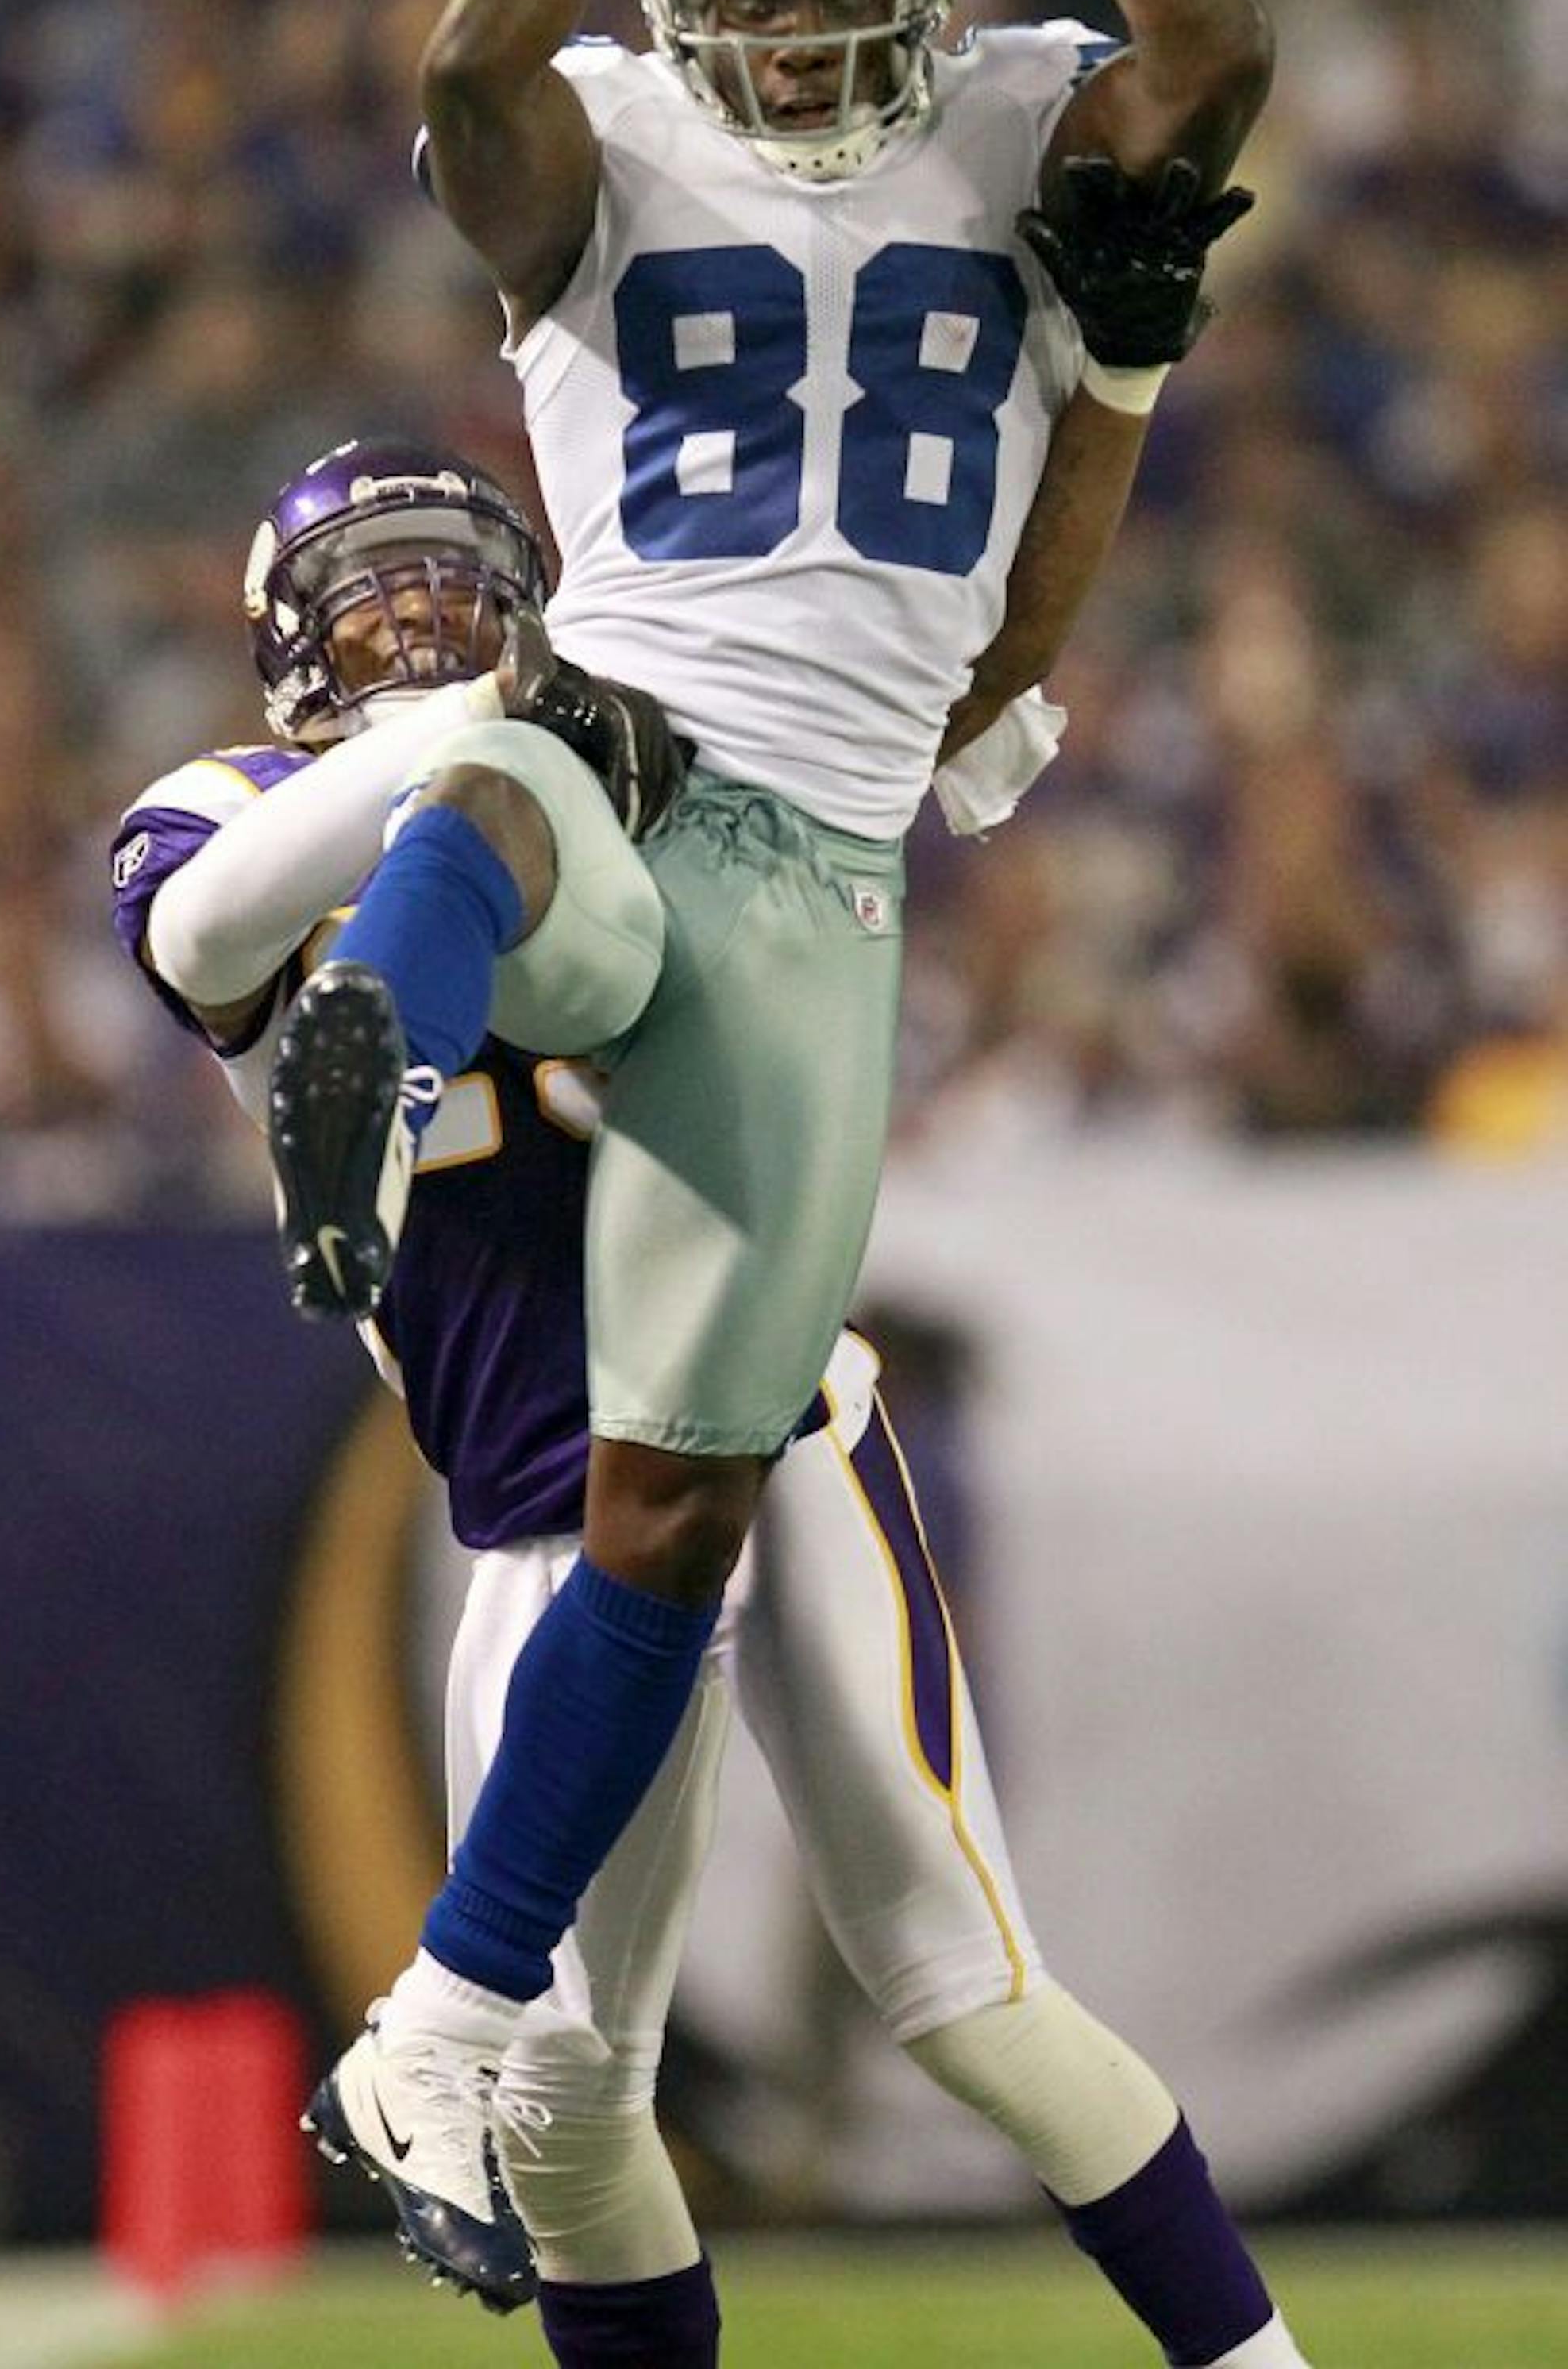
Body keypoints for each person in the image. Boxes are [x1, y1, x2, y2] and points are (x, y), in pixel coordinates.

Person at [263, 0, 1270, 2313]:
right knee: (497, 788)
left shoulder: (1017, 113)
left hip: (831, 873)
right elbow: (471, 63)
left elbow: (1220, 35)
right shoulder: (594, 129)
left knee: (683, 1509)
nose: (814, 51)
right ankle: (386, 1016)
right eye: (760, 4)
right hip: (645, 745)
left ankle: (451, 2006)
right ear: (675, 15)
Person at [110, 443, 1312, 2368]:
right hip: (526, 1496)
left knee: (972, 1990)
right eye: (372, 584)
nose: (418, 614)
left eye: (453, 577)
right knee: (568, 2105)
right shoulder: (239, 804)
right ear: (284, 645)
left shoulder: (614, 765)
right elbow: (205, 931)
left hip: (763, 1415)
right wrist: (500, 725)